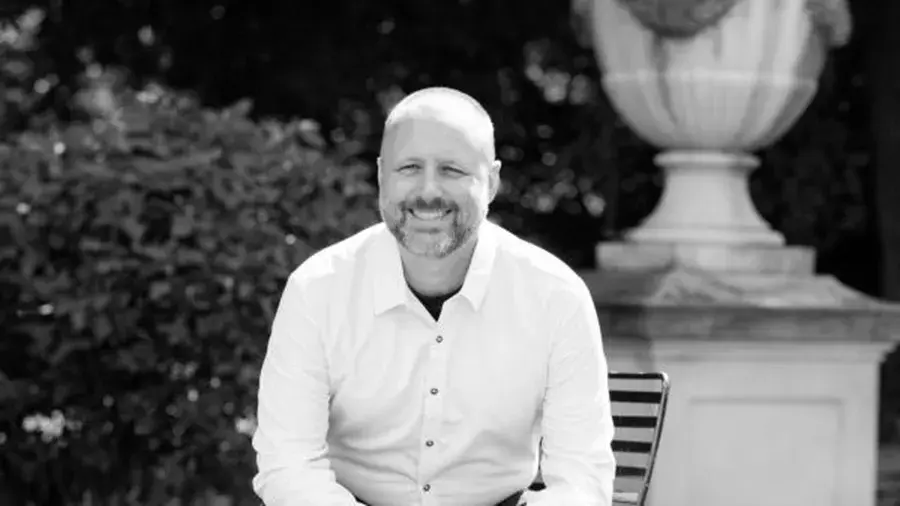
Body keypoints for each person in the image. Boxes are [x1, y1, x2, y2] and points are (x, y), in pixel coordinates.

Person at [251, 87, 616, 506]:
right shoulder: (317, 290)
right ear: (381, 176)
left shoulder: (556, 297)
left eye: (451, 170)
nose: (428, 191)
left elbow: (581, 480)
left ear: (492, 182)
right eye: (408, 167)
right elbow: (288, 466)